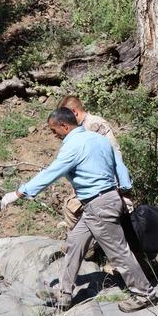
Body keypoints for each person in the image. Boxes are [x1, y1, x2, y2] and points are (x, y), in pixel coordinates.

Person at [0, 108, 157, 313]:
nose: (53, 134)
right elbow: (119, 164)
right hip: (103, 201)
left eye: (53, 130)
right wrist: (125, 187)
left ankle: (145, 294)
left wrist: (19, 193)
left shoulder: (73, 145)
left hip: (99, 205)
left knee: (118, 252)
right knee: (74, 243)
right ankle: (64, 293)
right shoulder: (99, 139)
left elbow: (51, 173)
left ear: (64, 126)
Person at [58, 95, 126, 230]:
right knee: (71, 208)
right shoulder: (78, 129)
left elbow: (114, 153)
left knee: (73, 209)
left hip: (105, 186)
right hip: (91, 186)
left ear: (74, 112)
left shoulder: (95, 124)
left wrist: (118, 185)